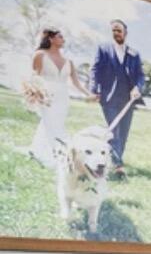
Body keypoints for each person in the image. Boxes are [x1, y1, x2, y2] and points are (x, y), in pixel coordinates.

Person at [21, 27, 89, 171]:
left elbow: (76, 83)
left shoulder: (68, 61)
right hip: (46, 96)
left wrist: (89, 95)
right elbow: (35, 77)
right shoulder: (40, 55)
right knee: (52, 123)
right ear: (51, 39)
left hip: (63, 97)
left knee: (53, 123)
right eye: (60, 36)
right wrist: (35, 93)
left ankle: (36, 149)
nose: (63, 39)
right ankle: (58, 155)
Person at [88, 19, 144, 176]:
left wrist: (137, 88)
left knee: (124, 132)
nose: (116, 33)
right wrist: (94, 89)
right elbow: (95, 70)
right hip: (109, 97)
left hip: (128, 99)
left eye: (119, 30)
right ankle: (118, 166)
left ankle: (114, 159)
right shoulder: (103, 49)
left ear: (125, 32)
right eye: (113, 30)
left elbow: (140, 75)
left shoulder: (134, 53)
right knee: (114, 131)